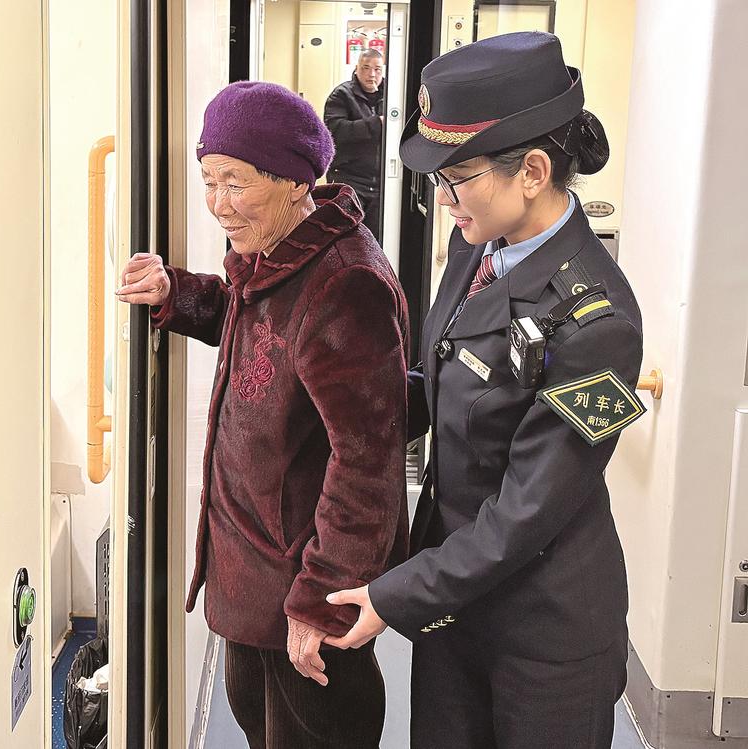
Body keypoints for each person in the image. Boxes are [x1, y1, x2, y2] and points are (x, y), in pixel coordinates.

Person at [326, 31, 644, 749]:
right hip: (456, 607)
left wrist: (394, 594)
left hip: (544, 634)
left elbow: (528, 512)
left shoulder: (598, 322)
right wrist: (337, 411)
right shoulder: (481, 246)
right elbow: (444, 380)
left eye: (457, 179)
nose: (443, 202)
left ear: (532, 171)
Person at [116, 81, 409, 748]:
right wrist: (175, 293)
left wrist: (320, 600)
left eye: (236, 183)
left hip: (302, 590)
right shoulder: (276, 255)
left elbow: (368, 460)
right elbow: (262, 333)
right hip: (254, 582)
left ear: (296, 182)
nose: (218, 203)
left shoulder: (345, 282)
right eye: (209, 181)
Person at [324, 48, 386, 242]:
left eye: (377, 69)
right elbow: (335, 131)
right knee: (347, 238)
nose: (372, 74)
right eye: (366, 68)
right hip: (348, 178)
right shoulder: (341, 95)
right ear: (356, 68)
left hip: (382, 182)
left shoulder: (393, 95)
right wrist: (376, 123)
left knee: (375, 241)